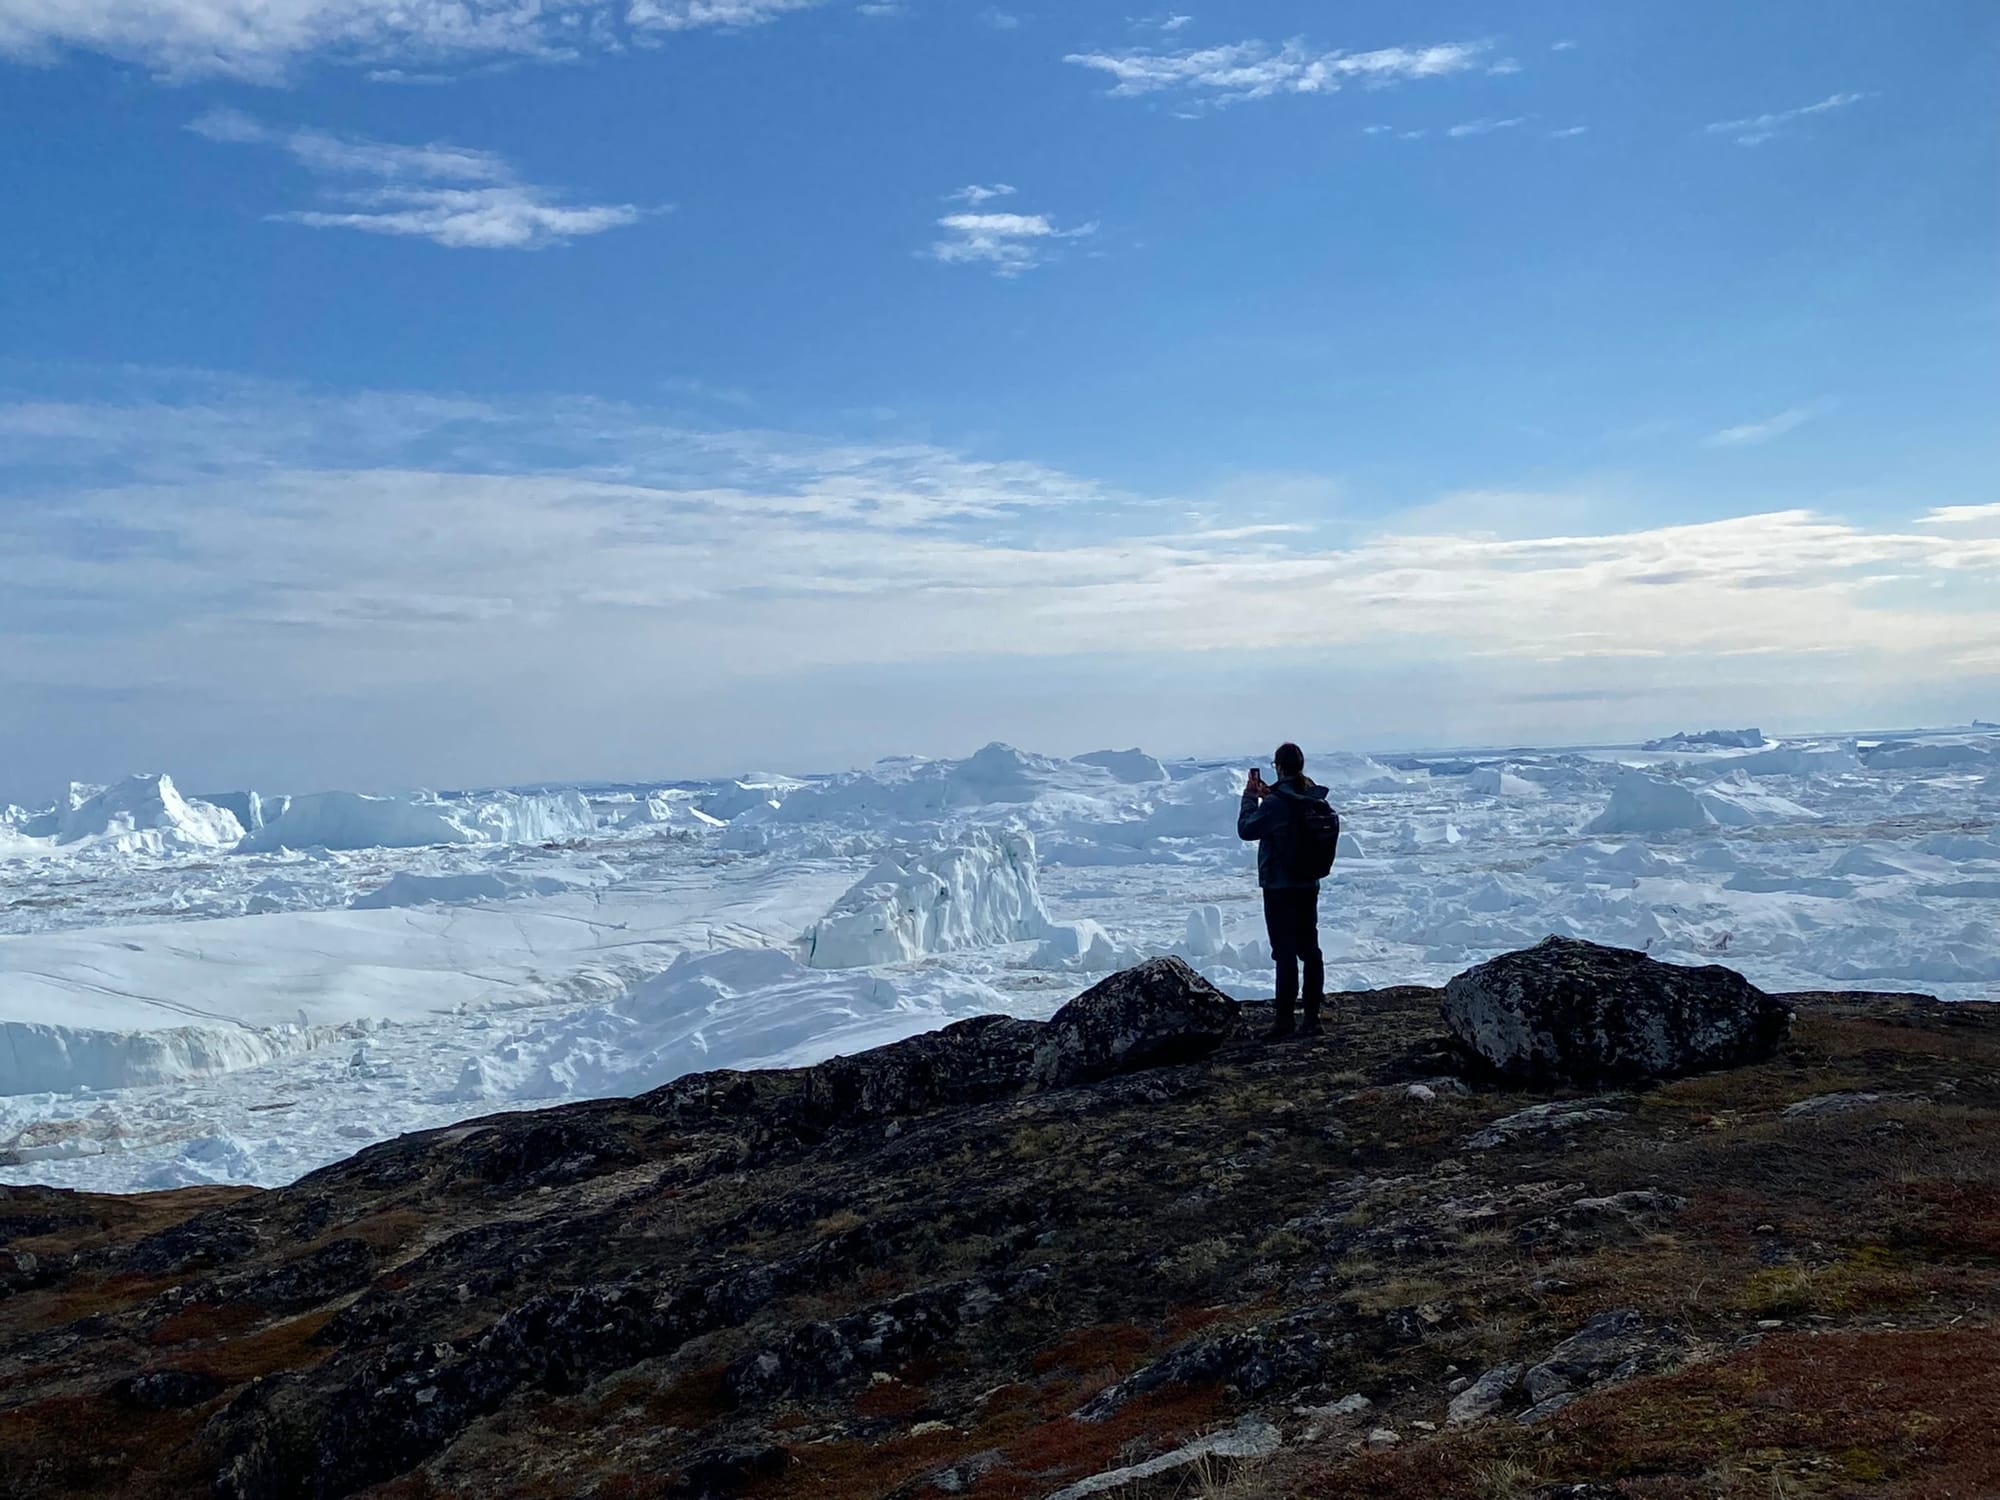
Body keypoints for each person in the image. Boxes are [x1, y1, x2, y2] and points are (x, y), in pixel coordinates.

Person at [1237, 742, 1331, 1039]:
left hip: (1280, 886)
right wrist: (1272, 795)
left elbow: (1247, 829)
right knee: (1310, 950)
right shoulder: (1310, 794)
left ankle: (1284, 1022)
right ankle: (1313, 1018)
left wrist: (1250, 797)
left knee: (1285, 953)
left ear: (1278, 766)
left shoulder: (1278, 803)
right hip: (1308, 883)